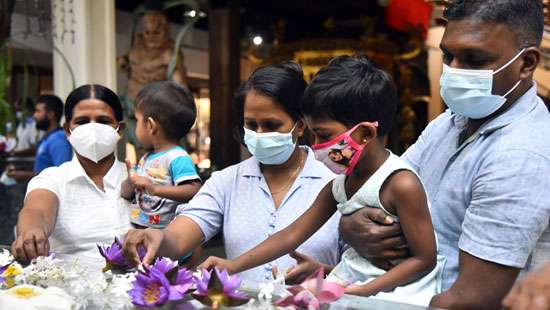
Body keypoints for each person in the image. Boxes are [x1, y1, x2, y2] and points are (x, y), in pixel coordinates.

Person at [338, 1, 550, 309]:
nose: (453, 71)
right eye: (449, 55)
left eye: (474, 59)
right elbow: (377, 192)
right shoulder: (451, 122)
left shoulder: (521, 156)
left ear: (527, 63)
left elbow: (468, 299)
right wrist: (351, 226)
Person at [199, 56, 444, 306]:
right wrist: (233, 265)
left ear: (364, 134)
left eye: (324, 135)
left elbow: (425, 260)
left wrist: (364, 291)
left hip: (398, 298)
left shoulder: (401, 184)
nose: (316, 146)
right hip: (354, 289)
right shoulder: (339, 184)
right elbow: (291, 234)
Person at [123, 63, 345, 283]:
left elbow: (365, 267)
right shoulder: (227, 182)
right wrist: (156, 237)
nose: (259, 134)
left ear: (300, 125)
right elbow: (179, 237)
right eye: (251, 124)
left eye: (271, 125)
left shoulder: (335, 183)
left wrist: (325, 271)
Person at [11, 84, 132, 263]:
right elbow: (36, 211)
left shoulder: (141, 180)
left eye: (103, 121)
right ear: (68, 130)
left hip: (138, 288)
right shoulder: (52, 178)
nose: (93, 130)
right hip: (66, 288)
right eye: (82, 122)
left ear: (119, 129)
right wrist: (32, 232)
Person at [121, 81, 201, 229]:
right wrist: (131, 181)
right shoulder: (147, 157)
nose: (135, 125)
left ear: (150, 126)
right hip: (141, 228)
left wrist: (155, 189)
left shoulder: (177, 157)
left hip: (166, 237)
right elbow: (128, 193)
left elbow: (193, 190)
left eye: (137, 120)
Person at [6, 95, 72, 182]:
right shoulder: (47, 137)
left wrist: (24, 175)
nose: (34, 116)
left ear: (50, 115)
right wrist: (19, 170)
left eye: (38, 111)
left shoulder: (58, 140)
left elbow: (61, 176)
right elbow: (43, 166)